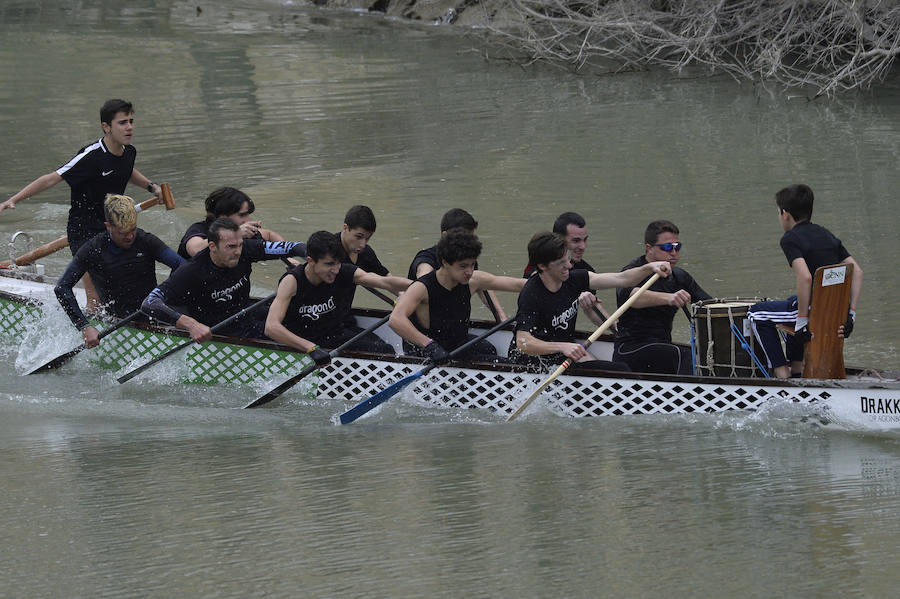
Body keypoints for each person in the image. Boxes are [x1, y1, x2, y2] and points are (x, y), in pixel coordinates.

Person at [1, 99, 162, 307]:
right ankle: (90, 325)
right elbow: (52, 178)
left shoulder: (129, 151)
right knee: (94, 294)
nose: (129, 127)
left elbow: (127, 170)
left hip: (112, 227)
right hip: (83, 231)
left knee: (126, 279)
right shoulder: (91, 156)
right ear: (106, 127)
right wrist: (13, 199)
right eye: (122, 123)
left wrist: (152, 187)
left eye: (131, 121)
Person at [748, 184, 863, 378]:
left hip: (813, 311)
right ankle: (798, 368)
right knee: (793, 301)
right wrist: (850, 315)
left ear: (785, 214)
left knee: (756, 313)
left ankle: (782, 374)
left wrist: (802, 322)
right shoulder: (827, 235)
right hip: (837, 311)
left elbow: (806, 277)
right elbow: (857, 272)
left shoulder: (790, 239)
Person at [512, 231, 671, 371]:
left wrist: (650, 268)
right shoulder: (531, 293)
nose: (568, 265)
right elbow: (523, 342)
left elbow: (621, 278)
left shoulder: (573, 279)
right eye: (561, 263)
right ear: (542, 266)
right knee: (619, 370)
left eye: (567, 259)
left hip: (563, 357)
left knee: (621, 369)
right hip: (533, 366)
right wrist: (562, 346)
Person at [142, 217, 307, 341]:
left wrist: (314, 256)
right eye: (231, 247)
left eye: (240, 245)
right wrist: (191, 325)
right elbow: (150, 303)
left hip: (245, 315)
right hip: (222, 331)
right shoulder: (193, 270)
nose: (238, 252)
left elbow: (293, 247)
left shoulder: (245, 249)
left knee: (302, 314)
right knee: (297, 333)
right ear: (212, 246)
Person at [54, 194, 186, 348]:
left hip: (151, 314)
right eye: (123, 232)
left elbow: (183, 267)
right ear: (108, 226)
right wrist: (84, 326)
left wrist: (165, 294)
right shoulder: (93, 249)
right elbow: (62, 287)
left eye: (133, 229)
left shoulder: (145, 240)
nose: (130, 236)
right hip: (118, 322)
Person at [265, 230, 412, 364]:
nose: (335, 270)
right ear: (310, 261)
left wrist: (420, 286)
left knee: (386, 350)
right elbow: (271, 327)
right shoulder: (292, 281)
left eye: (338, 263)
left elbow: (383, 281)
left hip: (334, 336)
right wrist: (310, 348)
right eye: (329, 264)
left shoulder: (342, 271)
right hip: (303, 343)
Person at [390, 228, 525, 363]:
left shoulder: (473, 281)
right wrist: (429, 345)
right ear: (445, 262)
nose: (469, 272)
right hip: (431, 355)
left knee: (489, 350)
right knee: (505, 364)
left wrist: (541, 278)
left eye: (472, 265)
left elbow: (516, 285)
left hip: (456, 349)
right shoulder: (423, 287)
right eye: (463, 266)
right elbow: (396, 319)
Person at [612, 220, 711, 375]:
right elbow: (632, 297)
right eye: (667, 247)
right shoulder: (633, 272)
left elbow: (708, 304)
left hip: (662, 347)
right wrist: (669, 298)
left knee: (702, 353)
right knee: (682, 355)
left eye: (677, 247)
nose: (673, 252)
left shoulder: (679, 277)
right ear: (649, 248)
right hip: (630, 349)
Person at [407, 208, 508, 321]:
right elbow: (425, 278)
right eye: (462, 237)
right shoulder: (426, 260)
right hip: (427, 333)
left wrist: (502, 319)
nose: (467, 243)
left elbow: (482, 285)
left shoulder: (466, 260)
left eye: (470, 237)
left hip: (455, 329)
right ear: (444, 235)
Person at [523, 211, 612, 327]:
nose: (583, 247)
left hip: (564, 340)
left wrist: (616, 327)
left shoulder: (585, 270)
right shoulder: (542, 266)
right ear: (559, 241)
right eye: (576, 241)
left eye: (585, 240)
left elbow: (592, 310)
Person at [178, 186, 286, 259]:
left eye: (248, 214)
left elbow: (269, 235)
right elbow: (195, 249)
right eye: (242, 215)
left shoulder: (244, 232)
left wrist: (288, 258)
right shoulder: (199, 229)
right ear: (223, 216)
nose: (248, 220)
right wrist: (236, 233)